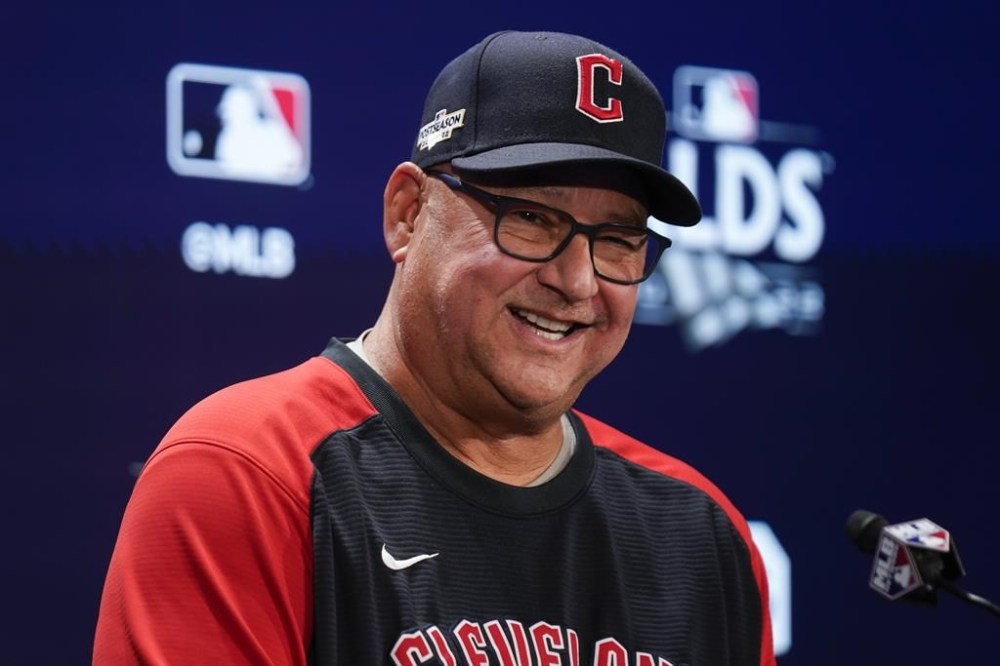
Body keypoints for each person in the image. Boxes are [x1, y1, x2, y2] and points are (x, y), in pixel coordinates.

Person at [94, 30, 776, 665]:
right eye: (532, 219)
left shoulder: (702, 534)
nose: (577, 281)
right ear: (408, 214)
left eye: (619, 240)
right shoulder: (246, 474)